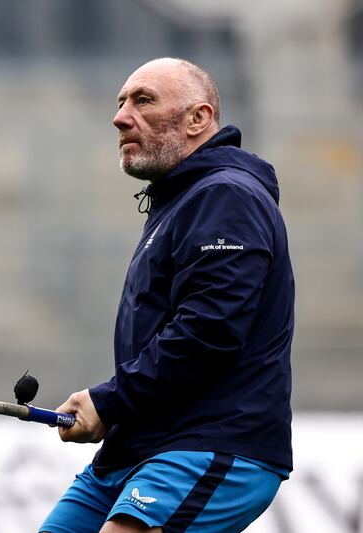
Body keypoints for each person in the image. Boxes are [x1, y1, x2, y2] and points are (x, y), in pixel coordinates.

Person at [40, 58, 295, 533]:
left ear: (198, 119)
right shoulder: (180, 200)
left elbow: (210, 330)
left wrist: (109, 400)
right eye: (120, 103)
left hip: (210, 443)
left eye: (143, 100)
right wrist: (110, 408)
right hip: (138, 445)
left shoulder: (226, 197)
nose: (120, 117)